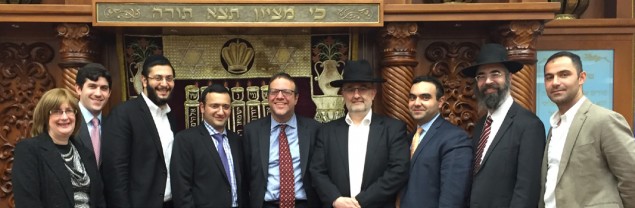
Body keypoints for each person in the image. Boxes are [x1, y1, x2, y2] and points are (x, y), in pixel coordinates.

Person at [540, 51, 635, 208]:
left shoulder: (604, 120)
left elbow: (631, 176)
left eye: (564, 75)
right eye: (549, 77)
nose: (555, 82)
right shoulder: (555, 126)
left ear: (581, 77)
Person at [310, 60, 409, 208]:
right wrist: (335, 199)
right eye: (350, 89)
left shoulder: (393, 129)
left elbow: (398, 171)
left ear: (373, 93)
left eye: (363, 88)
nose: (356, 95)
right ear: (342, 94)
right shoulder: (327, 131)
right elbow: (317, 171)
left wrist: (361, 202)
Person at [461, 43, 545, 208]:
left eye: (495, 73)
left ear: (509, 78)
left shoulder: (529, 125)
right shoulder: (480, 126)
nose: (488, 81)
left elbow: (527, 190)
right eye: (481, 76)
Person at [101, 55, 177, 208]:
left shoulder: (170, 115)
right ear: (144, 80)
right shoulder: (123, 113)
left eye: (169, 78)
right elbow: (115, 171)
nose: (164, 84)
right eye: (158, 78)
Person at [13, 88, 105, 208]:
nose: (65, 117)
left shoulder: (86, 153)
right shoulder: (29, 150)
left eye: (69, 111)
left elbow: (99, 200)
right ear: (45, 117)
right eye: (57, 111)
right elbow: (27, 201)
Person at [243, 72, 322, 208]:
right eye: (274, 92)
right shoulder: (252, 132)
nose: (280, 97)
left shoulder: (314, 129)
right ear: (268, 98)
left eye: (286, 92)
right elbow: (245, 175)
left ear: (296, 98)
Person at [399, 76, 472, 208]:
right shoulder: (409, 138)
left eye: (425, 97)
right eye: (412, 97)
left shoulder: (455, 138)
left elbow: (452, 197)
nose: (416, 103)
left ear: (440, 101)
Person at [171, 83, 247, 207]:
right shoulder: (185, 140)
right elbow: (181, 191)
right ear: (202, 107)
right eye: (215, 106)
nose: (221, 112)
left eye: (226, 107)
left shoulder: (237, 140)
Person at [74, 63, 112, 166]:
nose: (98, 94)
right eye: (92, 86)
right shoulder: (67, 122)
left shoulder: (113, 126)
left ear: (109, 93)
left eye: (104, 88)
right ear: (78, 89)